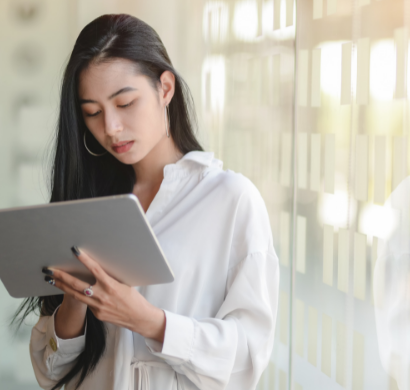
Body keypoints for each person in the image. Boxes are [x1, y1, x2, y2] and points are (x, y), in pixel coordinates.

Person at [15, 14, 279, 390]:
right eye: (92, 112)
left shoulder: (230, 200)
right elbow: (50, 373)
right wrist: (76, 298)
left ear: (165, 88)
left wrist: (151, 322)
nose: (110, 127)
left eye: (125, 103)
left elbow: (248, 359)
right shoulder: (88, 203)